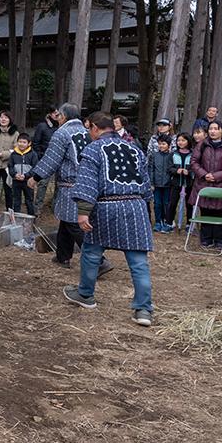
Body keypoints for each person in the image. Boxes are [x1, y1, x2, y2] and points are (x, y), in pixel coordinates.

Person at [63, 112, 155, 327]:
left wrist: (83, 212)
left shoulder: (93, 149)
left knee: (91, 252)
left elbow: (87, 183)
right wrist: (146, 212)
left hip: (106, 207)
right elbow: (146, 184)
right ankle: (143, 310)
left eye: (88, 129)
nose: (88, 133)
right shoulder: (135, 149)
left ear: (95, 127)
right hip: (136, 206)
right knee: (139, 263)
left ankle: (85, 294)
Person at [27, 103, 114, 277]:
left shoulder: (63, 133)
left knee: (75, 224)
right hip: (89, 182)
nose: (57, 118)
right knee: (67, 222)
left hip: (72, 185)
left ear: (64, 117)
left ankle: (100, 261)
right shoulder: (87, 131)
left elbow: (51, 159)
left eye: (58, 116)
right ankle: (62, 257)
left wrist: (35, 177)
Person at [187, 120, 222, 248]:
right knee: (205, 211)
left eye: (216, 129)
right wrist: (205, 174)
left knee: (220, 212)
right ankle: (206, 239)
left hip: (221, 185)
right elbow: (194, 162)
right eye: (211, 129)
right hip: (203, 183)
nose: (213, 131)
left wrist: (216, 176)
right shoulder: (201, 146)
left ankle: (220, 240)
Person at [32, 109, 59, 214]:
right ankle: (38, 206)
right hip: (45, 158)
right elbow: (36, 142)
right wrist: (41, 156)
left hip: (59, 159)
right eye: (55, 114)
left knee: (59, 184)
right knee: (43, 183)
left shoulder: (62, 127)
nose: (57, 116)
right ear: (50, 114)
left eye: (59, 114)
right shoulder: (42, 126)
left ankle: (55, 205)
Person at [148, 136, 176, 233]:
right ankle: (158, 222)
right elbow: (151, 170)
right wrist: (151, 183)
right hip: (157, 184)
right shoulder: (154, 156)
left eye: (163, 144)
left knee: (167, 204)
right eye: (160, 144)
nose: (161, 146)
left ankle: (167, 222)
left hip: (168, 185)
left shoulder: (172, 155)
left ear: (169, 145)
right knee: (157, 204)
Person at [8, 133, 39, 216]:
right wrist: (15, 175)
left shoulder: (33, 154)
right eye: (20, 142)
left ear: (29, 143)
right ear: (17, 142)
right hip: (16, 181)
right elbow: (10, 166)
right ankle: (16, 218)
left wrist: (26, 175)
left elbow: (35, 168)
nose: (21, 144)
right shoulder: (13, 154)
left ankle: (31, 218)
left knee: (29, 200)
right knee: (16, 200)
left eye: (24, 142)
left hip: (28, 181)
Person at [169, 133, 193, 231]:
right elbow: (169, 168)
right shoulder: (173, 154)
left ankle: (189, 224)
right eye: (179, 140)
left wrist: (190, 172)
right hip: (176, 183)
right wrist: (175, 171)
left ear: (188, 141)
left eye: (183, 140)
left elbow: (195, 167)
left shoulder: (193, 155)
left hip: (189, 184)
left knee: (189, 205)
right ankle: (169, 223)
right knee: (173, 203)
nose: (180, 142)